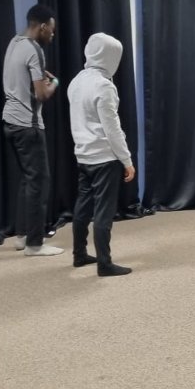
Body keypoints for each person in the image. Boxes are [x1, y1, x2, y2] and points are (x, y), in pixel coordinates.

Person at [67, 33, 136, 277]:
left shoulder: (76, 81)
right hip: (105, 159)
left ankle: (79, 254)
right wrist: (127, 160)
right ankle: (105, 264)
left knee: (83, 207)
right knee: (104, 212)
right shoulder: (104, 86)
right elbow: (112, 128)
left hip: (83, 155)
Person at [2, 4, 63, 257]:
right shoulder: (35, 50)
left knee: (28, 180)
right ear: (42, 26)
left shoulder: (14, 43)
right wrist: (55, 83)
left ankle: (22, 235)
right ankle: (35, 244)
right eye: (51, 29)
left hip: (10, 122)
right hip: (29, 125)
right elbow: (41, 94)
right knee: (39, 182)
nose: (52, 34)